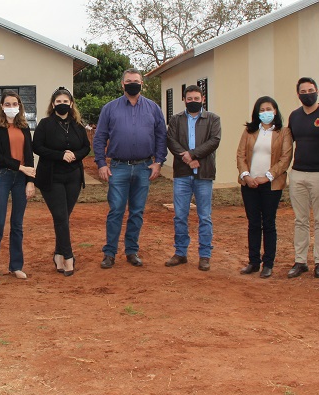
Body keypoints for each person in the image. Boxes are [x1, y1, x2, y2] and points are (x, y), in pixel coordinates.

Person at [93, 68, 167, 269]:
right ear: (122, 84)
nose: (132, 84)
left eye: (136, 81)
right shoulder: (110, 108)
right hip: (118, 167)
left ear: (142, 83)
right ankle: (109, 253)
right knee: (116, 210)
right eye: (128, 81)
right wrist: (101, 163)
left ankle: (132, 251)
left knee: (137, 212)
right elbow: (100, 137)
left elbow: (161, 136)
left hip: (144, 167)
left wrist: (159, 161)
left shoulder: (153, 108)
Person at [32, 87, 90, 277]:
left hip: (73, 177)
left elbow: (86, 147)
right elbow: (36, 146)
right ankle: (68, 257)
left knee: (63, 218)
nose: (62, 104)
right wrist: (60, 155)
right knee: (60, 217)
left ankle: (58, 254)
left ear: (71, 104)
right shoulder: (45, 124)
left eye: (66, 101)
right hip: (51, 177)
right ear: (53, 104)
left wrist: (75, 155)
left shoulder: (77, 125)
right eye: (58, 102)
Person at [164, 84, 221, 271]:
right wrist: (188, 159)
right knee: (180, 216)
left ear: (203, 99)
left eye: (196, 98)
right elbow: (171, 140)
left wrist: (193, 155)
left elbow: (214, 141)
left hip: (204, 174)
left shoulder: (213, 119)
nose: (193, 101)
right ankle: (180, 253)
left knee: (204, 216)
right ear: (184, 100)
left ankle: (205, 255)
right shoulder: (176, 119)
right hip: (182, 174)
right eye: (189, 99)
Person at [236, 96, 293, 278]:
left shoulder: (284, 132)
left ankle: (268, 263)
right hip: (249, 184)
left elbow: (285, 158)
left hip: (271, 185)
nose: (265, 112)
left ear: (275, 111)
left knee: (268, 223)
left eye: (268, 109)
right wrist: (246, 175)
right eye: (261, 110)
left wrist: (267, 177)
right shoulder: (249, 131)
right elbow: (240, 155)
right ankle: (253, 262)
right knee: (253, 223)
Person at [286, 77, 319, 279]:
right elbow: (289, 143)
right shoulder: (294, 116)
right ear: (298, 94)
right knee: (300, 220)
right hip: (298, 173)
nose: (308, 94)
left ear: (317, 91)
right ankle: (300, 261)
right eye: (303, 92)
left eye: (311, 90)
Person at [0, 90, 36, 281]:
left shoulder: (24, 127)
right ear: (1, 106)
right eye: (8, 104)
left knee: (17, 224)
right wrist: (21, 167)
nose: (11, 107)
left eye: (15, 104)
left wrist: (30, 181)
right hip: (2, 177)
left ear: (19, 106)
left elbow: (29, 155)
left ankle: (16, 266)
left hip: (21, 180)